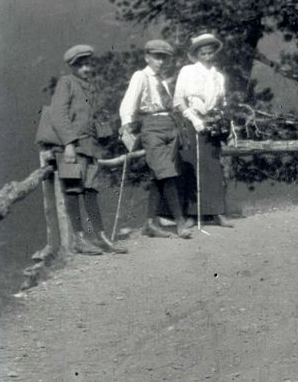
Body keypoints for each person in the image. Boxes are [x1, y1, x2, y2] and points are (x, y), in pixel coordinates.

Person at [46, 44, 127, 255]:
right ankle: (79, 239)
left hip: (91, 147)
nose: (85, 69)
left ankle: (99, 236)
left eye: (88, 64)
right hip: (72, 147)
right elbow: (58, 115)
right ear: (73, 67)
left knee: (90, 190)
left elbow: (97, 116)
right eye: (80, 65)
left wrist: (108, 133)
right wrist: (69, 144)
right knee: (73, 190)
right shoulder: (67, 83)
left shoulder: (91, 86)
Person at [119, 39, 194, 239]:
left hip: (170, 125)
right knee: (166, 174)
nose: (161, 62)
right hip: (152, 127)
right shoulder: (141, 76)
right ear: (147, 57)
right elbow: (128, 103)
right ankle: (180, 223)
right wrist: (127, 125)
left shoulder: (162, 81)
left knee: (161, 176)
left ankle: (150, 224)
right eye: (157, 57)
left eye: (164, 58)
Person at [173, 31, 234, 228]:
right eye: (203, 54)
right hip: (193, 122)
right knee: (194, 166)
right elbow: (178, 100)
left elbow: (223, 102)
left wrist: (227, 125)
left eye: (210, 53)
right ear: (197, 54)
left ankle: (217, 212)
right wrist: (194, 118)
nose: (207, 57)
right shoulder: (187, 71)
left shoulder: (218, 76)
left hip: (213, 123)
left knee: (214, 167)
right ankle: (192, 214)